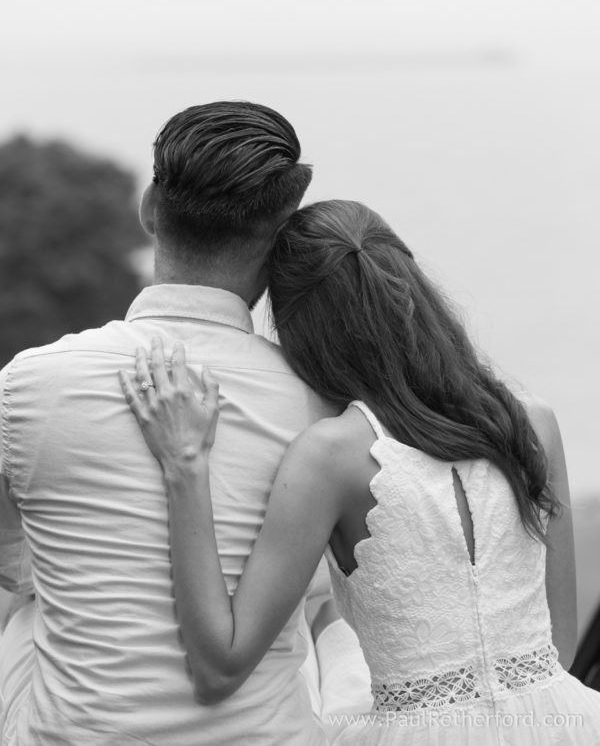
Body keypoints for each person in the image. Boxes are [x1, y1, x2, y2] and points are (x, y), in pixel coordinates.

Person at [121, 199, 600, 744]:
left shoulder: (330, 455)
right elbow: (555, 650)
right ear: (413, 286)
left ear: (301, 329)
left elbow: (219, 668)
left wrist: (185, 465)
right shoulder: (533, 423)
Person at [0, 103, 369, 746]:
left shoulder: (26, 386)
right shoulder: (324, 408)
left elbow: (10, 564)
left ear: (149, 209)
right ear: (283, 236)